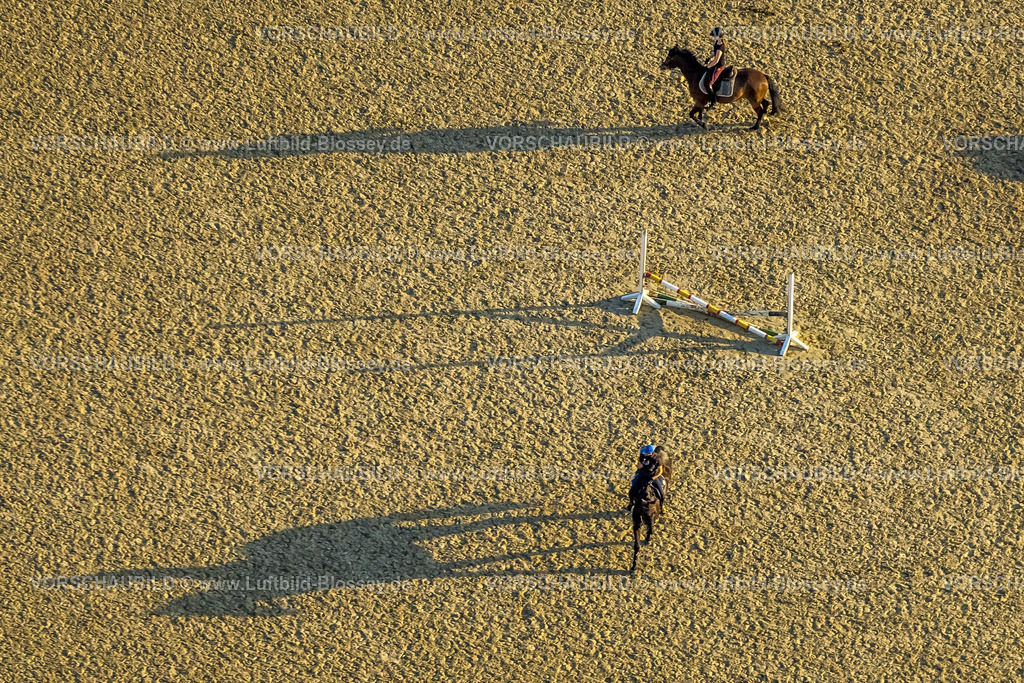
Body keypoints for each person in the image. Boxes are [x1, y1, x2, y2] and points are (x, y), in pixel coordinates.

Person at [626, 445, 666, 513]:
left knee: (661, 493)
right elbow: (639, 465)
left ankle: (661, 506)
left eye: (646, 453)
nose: (644, 454)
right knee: (632, 491)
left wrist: (653, 478)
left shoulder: (657, 459)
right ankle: (631, 503)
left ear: (651, 453)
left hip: (652, 476)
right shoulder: (642, 455)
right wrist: (639, 466)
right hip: (642, 475)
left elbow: (660, 471)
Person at [703, 27, 727, 109]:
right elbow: (714, 53)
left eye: (715, 36)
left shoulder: (721, 47)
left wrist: (708, 66)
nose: (714, 37)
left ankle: (713, 101)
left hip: (719, 66)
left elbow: (716, 60)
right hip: (715, 64)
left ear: (719, 36)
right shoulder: (717, 42)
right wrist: (709, 58)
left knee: (710, 82)